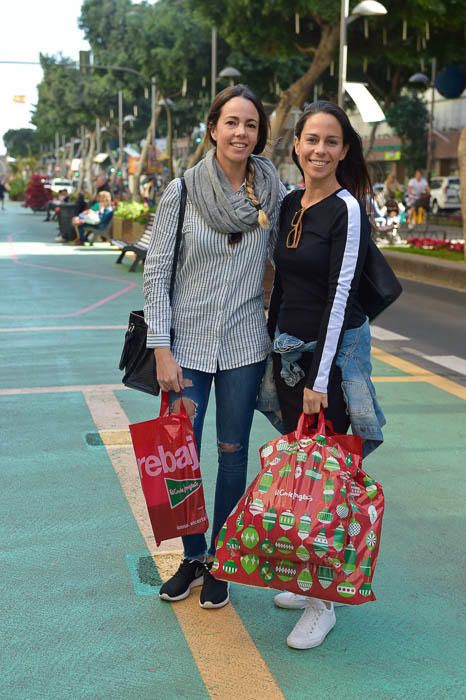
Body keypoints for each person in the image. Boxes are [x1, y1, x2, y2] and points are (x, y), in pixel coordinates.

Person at [143, 84, 286, 609]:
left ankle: (220, 562)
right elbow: (157, 272)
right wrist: (162, 346)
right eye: (231, 122)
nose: (240, 133)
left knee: (231, 454)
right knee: (179, 457)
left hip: (246, 347)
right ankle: (192, 556)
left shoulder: (273, 194)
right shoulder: (182, 191)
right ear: (212, 128)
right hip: (186, 351)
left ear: (259, 134)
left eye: (250, 125)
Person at [267, 101, 385, 650]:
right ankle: (309, 584)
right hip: (289, 355)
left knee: (328, 478)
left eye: (331, 141)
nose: (319, 150)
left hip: (329, 364)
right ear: (296, 144)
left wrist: (318, 378)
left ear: (344, 150)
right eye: (311, 139)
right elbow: (283, 287)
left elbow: (339, 294)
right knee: (303, 471)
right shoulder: (291, 203)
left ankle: (324, 602)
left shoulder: (348, 209)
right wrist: (277, 357)